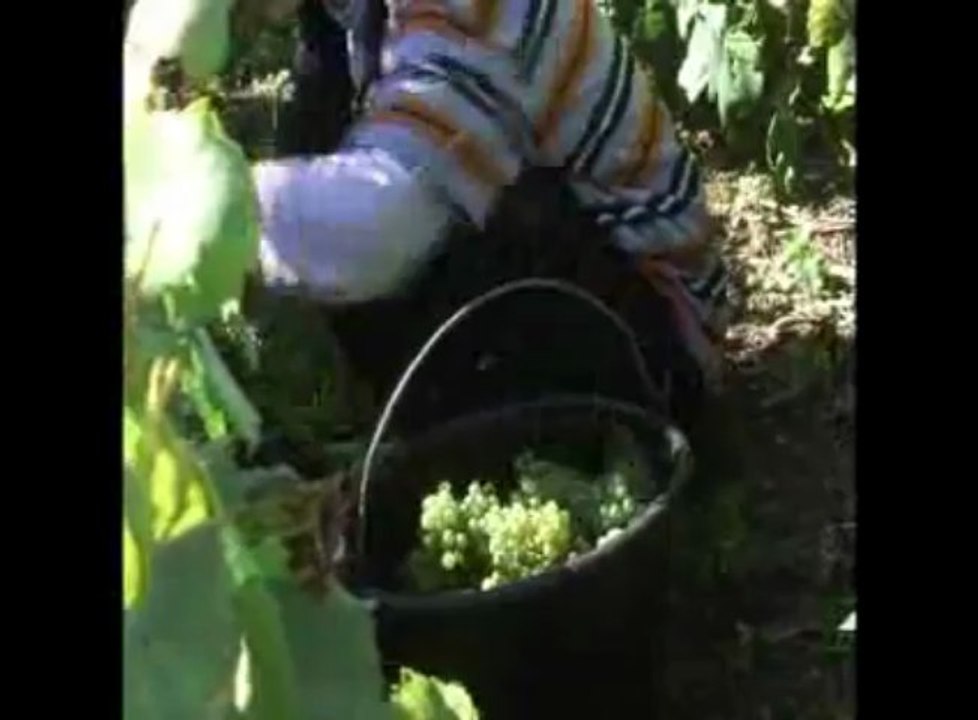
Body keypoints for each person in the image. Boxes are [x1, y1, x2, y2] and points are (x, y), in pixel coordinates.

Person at [247, 0, 730, 424]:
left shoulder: (470, 11)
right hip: (538, 256)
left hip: (648, 333)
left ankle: (589, 438)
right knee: (316, 132)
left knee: (400, 216)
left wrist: (201, 208)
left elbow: (379, 227)